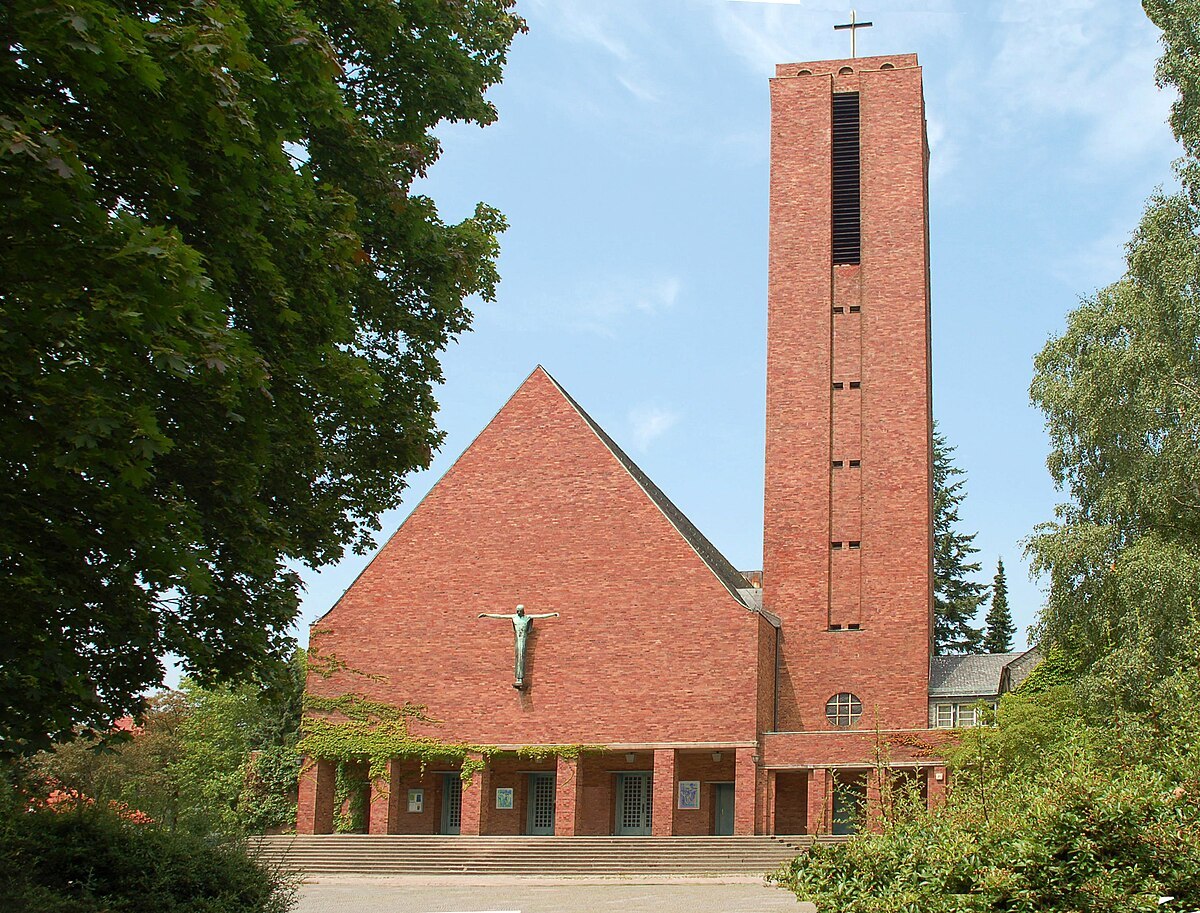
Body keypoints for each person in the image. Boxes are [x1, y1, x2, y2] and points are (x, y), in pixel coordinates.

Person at [477, 604, 560, 689]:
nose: (518, 612)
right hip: (518, 639)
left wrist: (553, 614)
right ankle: (518, 678)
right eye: (517, 610)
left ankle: (520, 679)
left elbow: (541, 616)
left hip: (523, 639)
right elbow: (500, 616)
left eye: (520, 610)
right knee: (518, 657)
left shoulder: (527, 617)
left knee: (521, 656)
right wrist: (486, 615)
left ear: (523, 611)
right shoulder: (514, 617)